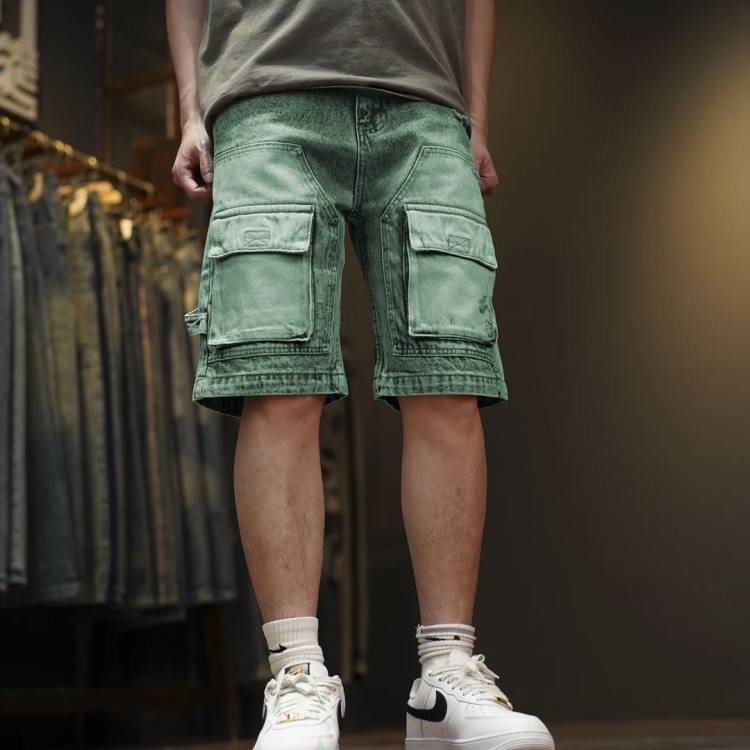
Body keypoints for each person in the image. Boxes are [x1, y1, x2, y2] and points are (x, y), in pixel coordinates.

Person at [167, 1, 554, 748]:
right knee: (277, 382)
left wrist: (475, 118)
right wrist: (190, 108)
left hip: (427, 107)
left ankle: (446, 678)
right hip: (263, 92)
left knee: (447, 378)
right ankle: (297, 679)